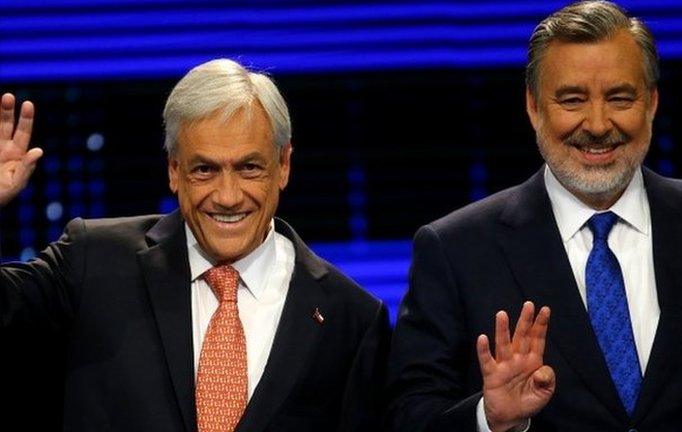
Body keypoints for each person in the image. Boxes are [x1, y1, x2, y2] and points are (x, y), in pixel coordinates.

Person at [386, 1, 682, 431]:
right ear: (533, 107)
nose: (599, 124)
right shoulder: (456, 250)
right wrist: (489, 418)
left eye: (620, 98)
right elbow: (408, 416)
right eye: (572, 99)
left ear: (652, 103)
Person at [0, 58, 390, 431]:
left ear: (283, 165)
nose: (227, 196)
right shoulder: (94, 260)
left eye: (248, 168)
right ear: (174, 170)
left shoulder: (350, 318)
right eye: (205, 169)